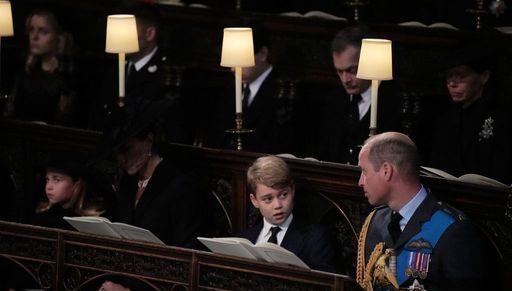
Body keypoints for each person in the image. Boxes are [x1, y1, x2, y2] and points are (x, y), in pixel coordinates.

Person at [356, 132, 483, 290]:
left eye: (364, 172)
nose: (360, 182)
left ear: (386, 171)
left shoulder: (453, 229)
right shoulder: (375, 220)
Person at [93, 97, 208, 248]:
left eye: (127, 149)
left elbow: (188, 245)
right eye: (116, 153)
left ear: (148, 140)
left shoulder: (179, 186)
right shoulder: (128, 181)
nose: (121, 159)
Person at [90, 2, 187, 144]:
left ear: (149, 33)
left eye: (126, 30)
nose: (118, 37)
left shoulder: (167, 73)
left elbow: (167, 123)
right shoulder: (115, 70)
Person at [314, 26, 402, 165]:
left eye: (352, 70)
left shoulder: (396, 102)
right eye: (339, 72)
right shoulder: (334, 100)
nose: (345, 79)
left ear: (368, 61)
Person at [203, 21, 295, 154]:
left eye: (241, 59)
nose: (234, 69)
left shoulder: (282, 92)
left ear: (263, 54)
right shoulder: (229, 89)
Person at [238, 155, 337, 272]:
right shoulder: (244, 238)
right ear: (255, 200)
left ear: (293, 190)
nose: (278, 205)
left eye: (283, 195)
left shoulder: (316, 237)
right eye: (268, 199)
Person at [429, 51, 512, 184]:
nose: (452, 83)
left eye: (461, 75)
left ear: (484, 77)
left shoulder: (501, 117)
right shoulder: (445, 118)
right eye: (449, 76)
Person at [3, 9, 78, 126]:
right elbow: (10, 112)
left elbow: (66, 118)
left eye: (43, 31)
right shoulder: (24, 70)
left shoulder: (67, 74)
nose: (34, 37)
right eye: (31, 30)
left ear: (58, 37)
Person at [30, 156, 113, 230]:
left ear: (76, 184)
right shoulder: (42, 217)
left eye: (57, 180)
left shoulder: (92, 222)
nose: (49, 187)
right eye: (47, 179)